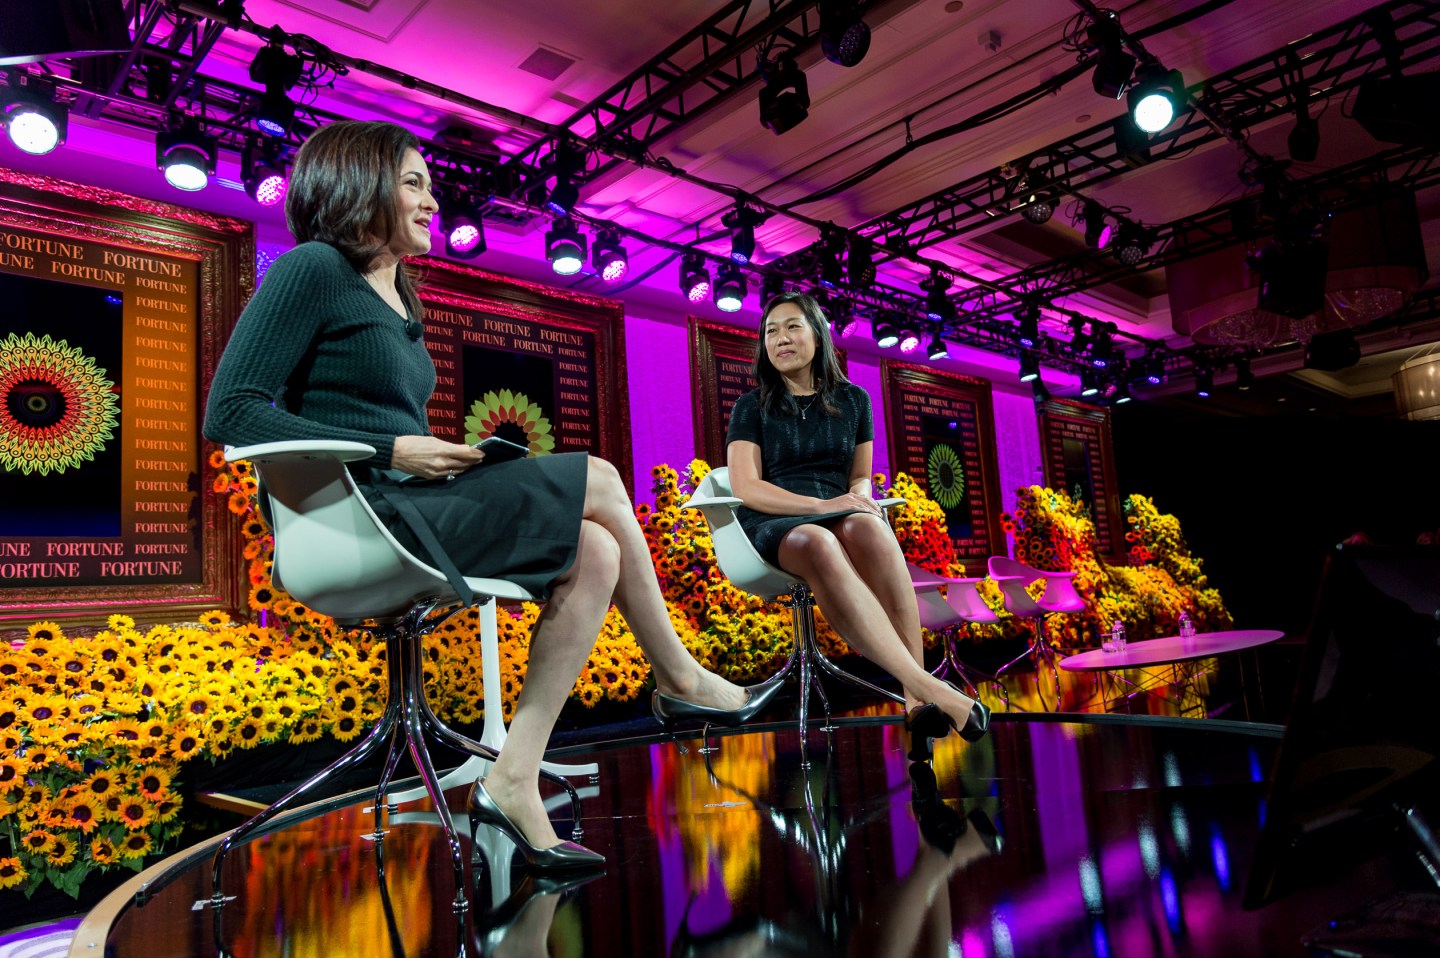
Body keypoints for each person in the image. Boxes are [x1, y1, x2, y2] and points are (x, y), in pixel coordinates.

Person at [204, 120, 777, 872]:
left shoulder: (400, 297)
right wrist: (395, 448)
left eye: (427, 185)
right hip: (360, 517)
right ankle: (678, 675)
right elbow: (231, 413)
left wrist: (434, 453)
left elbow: (371, 413)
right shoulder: (312, 268)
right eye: (413, 182)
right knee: (600, 478)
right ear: (359, 184)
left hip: (407, 500)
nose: (431, 199)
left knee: (597, 549)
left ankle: (513, 776)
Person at [725, 292, 990, 758]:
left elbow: (860, 476)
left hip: (838, 506)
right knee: (819, 542)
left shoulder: (854, 400)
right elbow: (746, 487)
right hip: (777, 517)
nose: (780, 339)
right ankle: (931, 690)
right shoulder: (751, 406)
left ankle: (915, 706)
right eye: (771, 331)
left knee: (872, 528)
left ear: (818, 334)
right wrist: (815, 506)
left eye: (792, 327)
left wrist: (862, 498)